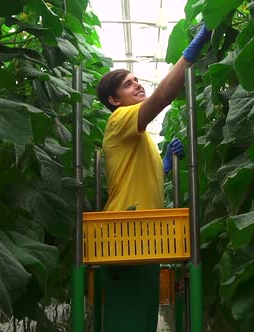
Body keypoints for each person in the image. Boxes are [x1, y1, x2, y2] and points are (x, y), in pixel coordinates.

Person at [94, 25, 211, 332]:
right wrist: (188, 57)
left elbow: (139, 175)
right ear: (114, 100)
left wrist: (165, 168)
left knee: (141, 319)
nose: (137, 85)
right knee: (127, 320)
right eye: (128, 84)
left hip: (143, 234)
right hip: (123, 232)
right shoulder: (119, 119)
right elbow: (161, 98)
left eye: (137, 80)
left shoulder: (140, 135)